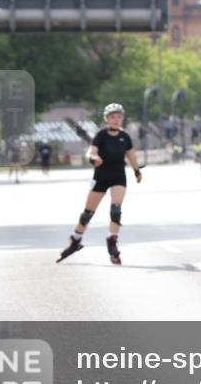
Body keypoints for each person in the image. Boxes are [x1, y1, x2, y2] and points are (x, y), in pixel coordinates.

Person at [56, 103, 142, 265]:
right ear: (106, 119)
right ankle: (76, 240)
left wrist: (137, 171)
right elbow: (91, 151)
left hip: (118, 177)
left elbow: (131, 155)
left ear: (122, 118)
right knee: (87, 213)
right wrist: (93, 158)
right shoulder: (101, 135)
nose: (116, 120)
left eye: (118, 117)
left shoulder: (125, 137)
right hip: (101, 177)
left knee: (116, 210)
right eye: (112, 117)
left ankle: (112, 241)